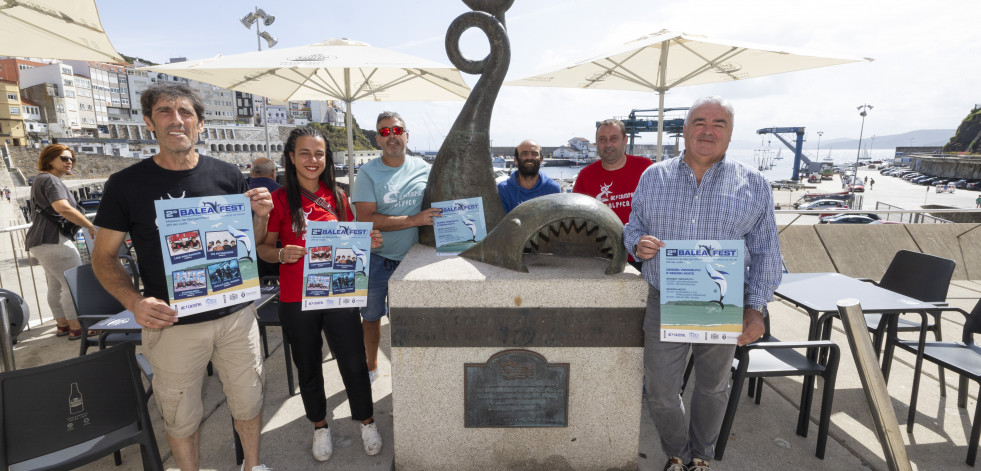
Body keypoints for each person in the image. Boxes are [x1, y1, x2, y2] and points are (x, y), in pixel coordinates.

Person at [91, 82, 273, 471]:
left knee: (249, 400)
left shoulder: (227, 175)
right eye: (164, 111)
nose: (176, 120)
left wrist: (261, 218)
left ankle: (252, 466)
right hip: (173, 323)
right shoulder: (125, 185)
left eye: (185, 112)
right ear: (147, 122)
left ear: (201, 124)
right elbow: (104, 258)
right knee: (180, 414)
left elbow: (252, 246)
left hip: (237, 315)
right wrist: (134, 302)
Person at [623, 97, 782, 471]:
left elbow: (766, 253)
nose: (707, 130)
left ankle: (701, 457)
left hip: (722, 303)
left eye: (718, 124)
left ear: (729, 134)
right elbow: (633, 227)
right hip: (666, 298)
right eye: (699, 122)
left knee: (712, 387)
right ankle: (677, 452)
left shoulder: (755, 184)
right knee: (661, 391)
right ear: (685, 129)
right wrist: (638, 244)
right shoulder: (653, 176)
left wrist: (756, 310)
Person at [258, 126, 384, 461]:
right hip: (295, 299)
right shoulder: (281, 200)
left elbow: (349, 241)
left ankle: (366, 421)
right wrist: (282, 253)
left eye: (319, 153)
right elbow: (264, 249)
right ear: (290, 157)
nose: (312, 160)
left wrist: (366, 241)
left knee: (354, 361)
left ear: (326, 158)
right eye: (304, 153)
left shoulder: (340, 197)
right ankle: (320, 426)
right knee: (308, 365)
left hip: (337, 294)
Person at [352, 111, 441, 384]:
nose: (392, 136)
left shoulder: (425, 168)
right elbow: (366, 218)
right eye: (385, 131)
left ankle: (411, 373)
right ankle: (371, 365)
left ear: (407, 135)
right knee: (371, 318)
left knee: (411, 321)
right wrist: (414, 219)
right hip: (377, 258)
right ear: (378, 139)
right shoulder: (367, 173)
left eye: (397, 130)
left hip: (413, 260)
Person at [25, 144, 98, 340]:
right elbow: (63, 208)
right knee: (71, 283)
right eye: (64, 158)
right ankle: (77, 327)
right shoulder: (51, 180)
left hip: (39, 241)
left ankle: (62, 325)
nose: (69, 162)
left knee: (55, 285)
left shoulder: (39, 180)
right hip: (53, 240)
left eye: (71, 159)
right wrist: (89, 226)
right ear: (50, 160)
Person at [573, 118, 653, 270]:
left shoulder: (645, 167)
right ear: (597, 143)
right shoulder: (585, 175)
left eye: (613, 139)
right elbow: (576, 219)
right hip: (603, 258)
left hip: (643, 257)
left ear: (625, 140)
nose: (608, 144)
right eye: (602, 139)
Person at [497, 139, 561, 212]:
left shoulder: (552, 189)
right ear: (515, 160)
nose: (529, 158)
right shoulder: (503, 190)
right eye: (524, 154)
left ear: (541, 160)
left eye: (534, 154)